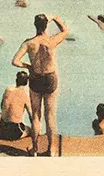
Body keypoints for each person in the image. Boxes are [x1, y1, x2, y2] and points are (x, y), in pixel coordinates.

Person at [12, 13, 69, 156]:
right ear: (46, 26)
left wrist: (29, 66)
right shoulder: (51, 41)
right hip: (50, 78)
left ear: (34, 25)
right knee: (50, 116)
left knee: (36, 116)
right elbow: (65, 31)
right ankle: (51, 149)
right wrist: (55, 17)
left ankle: (35, 149)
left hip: (35, 78)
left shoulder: (28, 43)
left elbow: (15, 61)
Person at [0, 71, 32, 141]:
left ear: (16, 80)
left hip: (2, 128)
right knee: (28, 129)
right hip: (14, 132)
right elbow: (31, 115)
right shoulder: (24, 95)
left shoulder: (8, 90)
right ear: (26, 83)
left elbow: (2, 105)